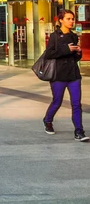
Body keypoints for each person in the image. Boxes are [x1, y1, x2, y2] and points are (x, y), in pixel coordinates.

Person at [43, 9, 88, 141]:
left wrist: (78, 52)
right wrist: (67, 49)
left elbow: (75, 58)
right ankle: (47, 120)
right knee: (57, 101)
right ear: (61, 20)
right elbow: (49, 54)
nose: (71, 21)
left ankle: (79, 132)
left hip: (73, 74)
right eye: (68, 19)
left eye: (72, 19)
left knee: (76, 104)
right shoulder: (54, 36)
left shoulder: (74, 36)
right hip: (58, 74)